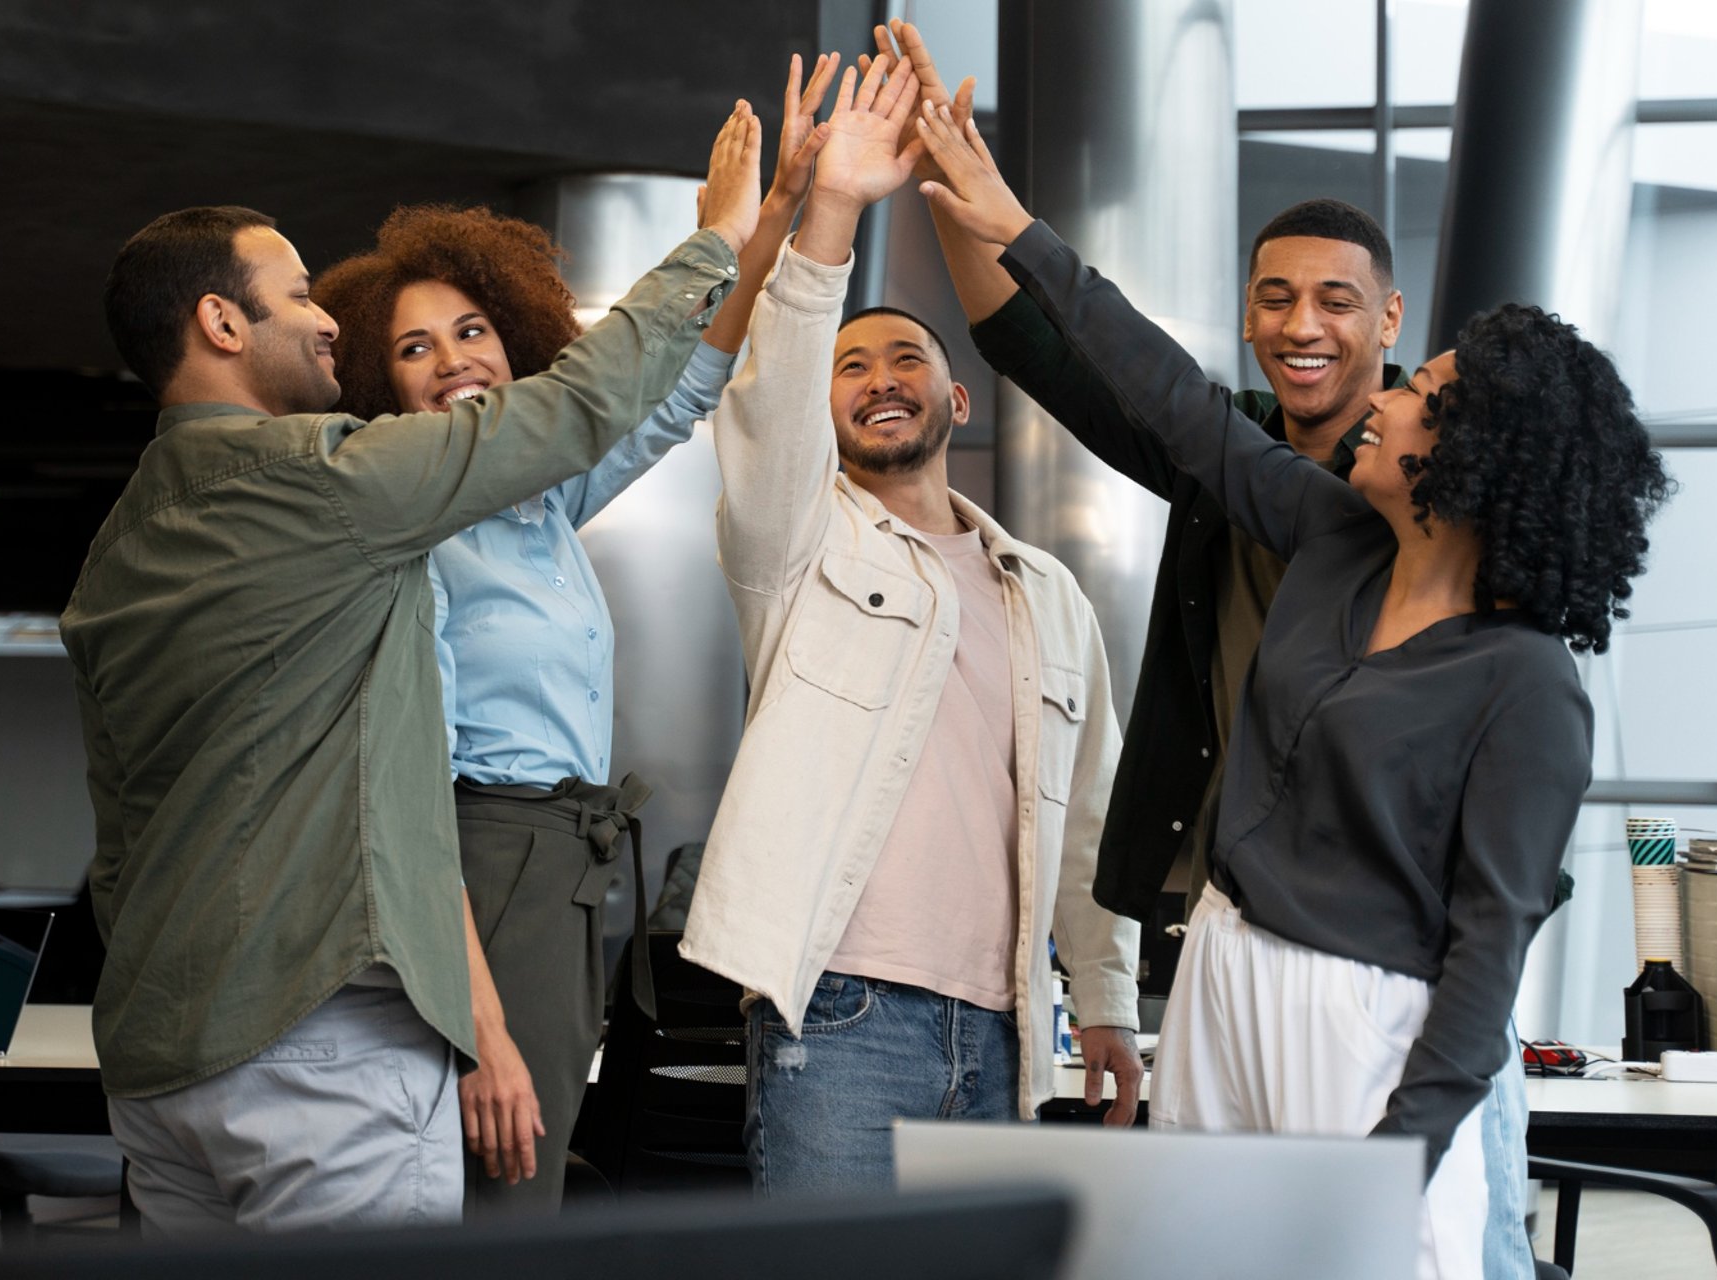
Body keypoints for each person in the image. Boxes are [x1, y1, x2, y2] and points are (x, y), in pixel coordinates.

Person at [911, 97, 1670, 1278]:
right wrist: (1016, 225)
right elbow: (1169, 396)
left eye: (1424, 393)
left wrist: (1401, 1155)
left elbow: (1484, 958)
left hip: (1363, 1024)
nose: (1389, 395)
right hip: (1220, 965)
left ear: (1469, 457)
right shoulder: (1327, 534)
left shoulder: (1527, 685)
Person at [60, 106, 761, 1233]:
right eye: (296, 296)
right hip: (319, 1042)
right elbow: (583, 405)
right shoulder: (335, 486)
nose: (325, 317)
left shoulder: (118, 548)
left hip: (164, 1059)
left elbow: (121, 837)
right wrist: (718, 232)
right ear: (220, 322)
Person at [309, 55, 839, 1215]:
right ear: (378, 383)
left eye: (473, 329)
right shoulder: (416, 537)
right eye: (415, 348)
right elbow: (402, 796)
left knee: (515, 1185)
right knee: (496, 1189)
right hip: (474, 865)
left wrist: (775, 216)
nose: (456, 358)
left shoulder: (538, 497)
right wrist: (483, 1023)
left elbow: (689, 377)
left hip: (561, 871)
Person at [679, 55, 1142, 1198]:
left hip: (1005, 1031)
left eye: (906, 360)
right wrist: (827, 208)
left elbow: (1091, 821)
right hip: (840, 1010)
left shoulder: (1045, 591)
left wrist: (1108, 1005)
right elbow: (768, 395)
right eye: (851, 368)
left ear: (960, 399)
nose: (879, 380)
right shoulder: (794, 543)